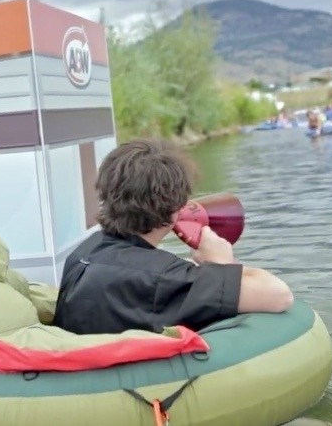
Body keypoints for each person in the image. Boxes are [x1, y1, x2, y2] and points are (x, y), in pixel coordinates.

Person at [53, 138, 294, 335]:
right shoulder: (161, 280)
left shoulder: (85, 252)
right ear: (174, 209)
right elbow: (279, 295)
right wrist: (220, 265)